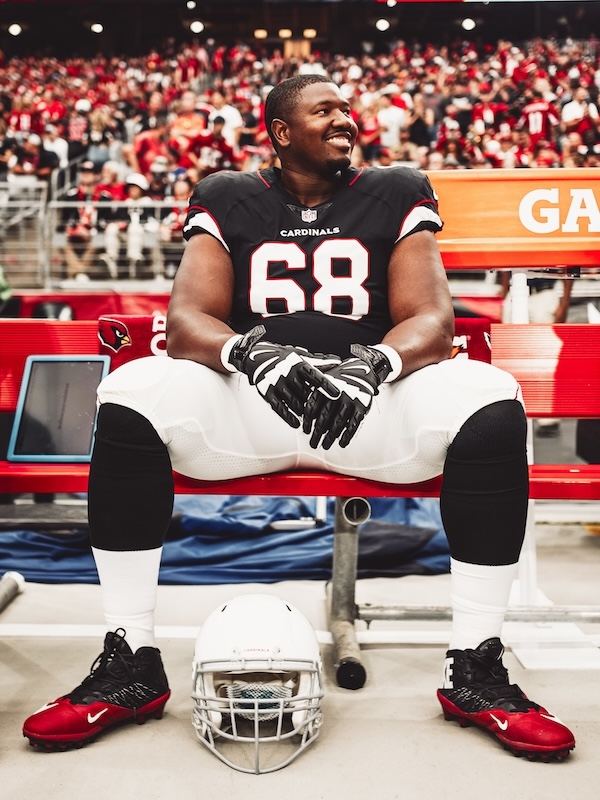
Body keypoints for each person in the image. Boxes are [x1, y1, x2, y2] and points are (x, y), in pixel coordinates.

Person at [22, 74, 575, 762]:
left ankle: (476, 668)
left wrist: (372, 363)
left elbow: (433, 321)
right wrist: (249, 353)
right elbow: (185, 319)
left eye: (350, 109)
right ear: (281, 132)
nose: (347, 120)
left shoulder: (398, 187)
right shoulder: (226, 194)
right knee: (132, 392)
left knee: (490, 400)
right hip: (254, 403)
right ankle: (131, 659)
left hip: (366, 407)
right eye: (326, 111)